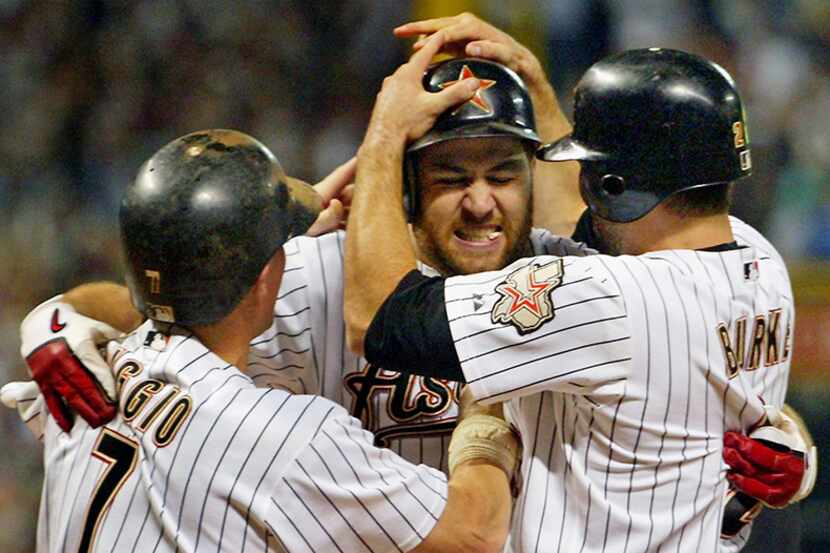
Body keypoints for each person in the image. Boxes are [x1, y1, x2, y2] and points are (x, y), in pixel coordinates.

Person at [7, 14, 814, 548]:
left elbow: (683, 348)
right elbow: (180, 314)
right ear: (401, 186)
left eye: (503, 170)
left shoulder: (576, 276)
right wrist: (62, 311)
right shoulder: (322, 272)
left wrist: (773, 432)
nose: (480, 199)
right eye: (449, 175)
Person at [344, 33, 814, 552]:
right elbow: (578, 230)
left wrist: (385, 136)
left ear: (611, 185)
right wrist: (539, 88)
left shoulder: (612, 299)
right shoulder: (761, 260)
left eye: (587, 168)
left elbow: (377, 319)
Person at [1, 128, 521, 553]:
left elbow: (138, 293)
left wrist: (51, 312)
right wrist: (487, 413)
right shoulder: (285, 435)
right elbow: (475, 531)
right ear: (267, 275)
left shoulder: (84, 382)